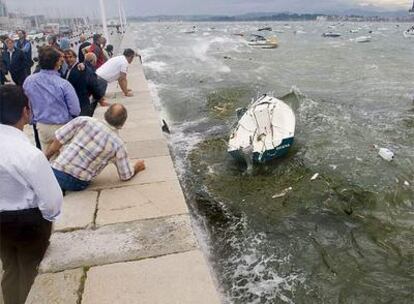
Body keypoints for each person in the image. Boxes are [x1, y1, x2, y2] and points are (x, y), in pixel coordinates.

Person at [0, 85, 63, 304]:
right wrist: (44, 219)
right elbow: (53, 201)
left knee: (9, 267)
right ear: (25, 112)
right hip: (27, 221)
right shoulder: (30, 154)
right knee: (29, 270)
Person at [46, 104, 146, 192]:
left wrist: (46, 157)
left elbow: (58, 140)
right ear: (122, 123)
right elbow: (125, 175)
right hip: (76, 182)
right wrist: (137, 166)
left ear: (106, 114)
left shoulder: (83, 120)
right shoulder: (118, 144)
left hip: (55, 170)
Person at [23, 46, 80, 151]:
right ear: (57, 63)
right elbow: (75, 110)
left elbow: (27, 103)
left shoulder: (29, 81)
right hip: (63, 127)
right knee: (65, 160)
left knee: (48, 156)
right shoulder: (64, 84)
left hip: (42, 126)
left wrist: (32, 120)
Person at [63, 49, 106, 116]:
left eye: (70, 57)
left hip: (82, 105)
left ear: (75, 57)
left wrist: (99, 98)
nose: (68, 59)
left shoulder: (81, 68)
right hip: (74, 105)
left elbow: (92, 84)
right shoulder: (67, 70)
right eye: (66, 57)